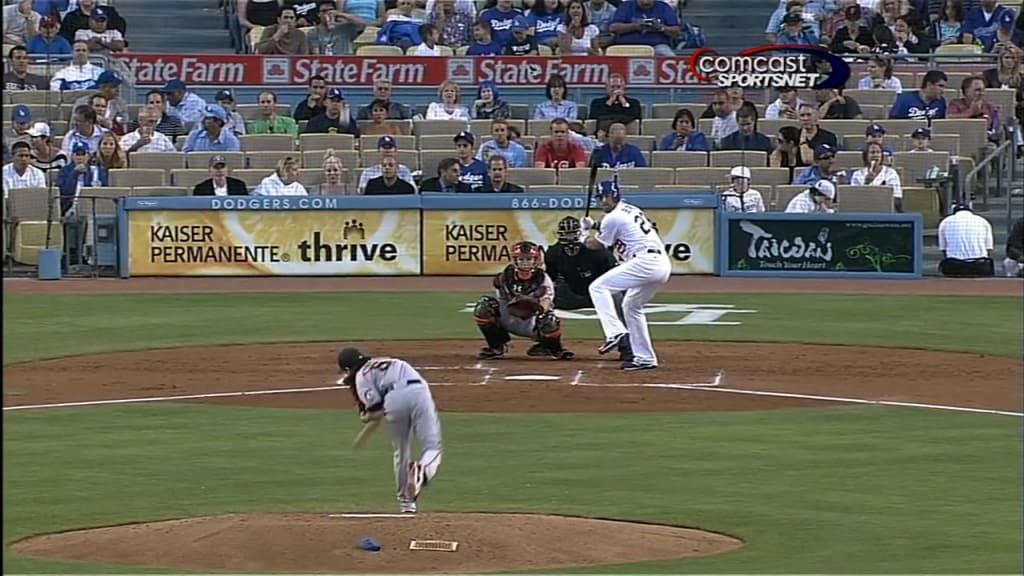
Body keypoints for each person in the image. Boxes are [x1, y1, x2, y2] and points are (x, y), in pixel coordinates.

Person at [337, 347, 442, 514]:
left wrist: (366, 418)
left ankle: (406, 504)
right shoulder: (391, 361)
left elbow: (374, 410)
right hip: (420, 391)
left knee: (401, 451)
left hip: (394, 399)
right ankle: (423, 470)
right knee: (432, 447)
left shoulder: (362, 376)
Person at [581, 178, 670, 371]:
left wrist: (583, 234)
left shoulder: (612, 217)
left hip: (645, 262)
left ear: (616, 196)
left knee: (598, 287)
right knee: (631, 306)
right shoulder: (630, 209)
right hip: (660, 264)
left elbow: (596, 245)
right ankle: (644, 357)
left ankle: (614, 332)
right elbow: (614, 227)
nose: (603, 201)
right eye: (601, 197)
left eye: (607, 197)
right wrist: (595, 224)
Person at [544, 215, 633, 362]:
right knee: (542, 299)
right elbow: (549, 280)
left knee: (618, 299)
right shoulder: (553, 253)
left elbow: (616, 276)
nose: (569, 239)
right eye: (566, 234)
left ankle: (627, 347)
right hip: (570, 293)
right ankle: (547, 343)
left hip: (600, 294)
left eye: (572, 234)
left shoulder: (597, 252)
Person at [472, 240, 575, 360]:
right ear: (515, 260)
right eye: (521, 259)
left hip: (531, 321)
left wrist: (533, 304)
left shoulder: (543, 279)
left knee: (550, 320)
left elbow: (546, 303)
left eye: (528, 259)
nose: (525, 263)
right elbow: (503, 299)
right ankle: (496, 346)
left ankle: (554, 349)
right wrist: (517, 300)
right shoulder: (505, 276)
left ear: (535, 260)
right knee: (484, 306)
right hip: (509, 316)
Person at [937, 202, 994, 277]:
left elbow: (943, 249)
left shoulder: (945, 222)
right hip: (980, 266)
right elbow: (988, 248)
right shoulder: (983, 221)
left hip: (955, 267)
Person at [851, 141, 903, 212]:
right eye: (872, 152)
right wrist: (866, 184)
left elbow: (897, 198)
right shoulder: (857, 175)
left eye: (878, 152)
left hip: (885, 211)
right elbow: (854, 199)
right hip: (863, 211)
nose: (875, 155)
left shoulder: (891, 173)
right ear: (866, 156)